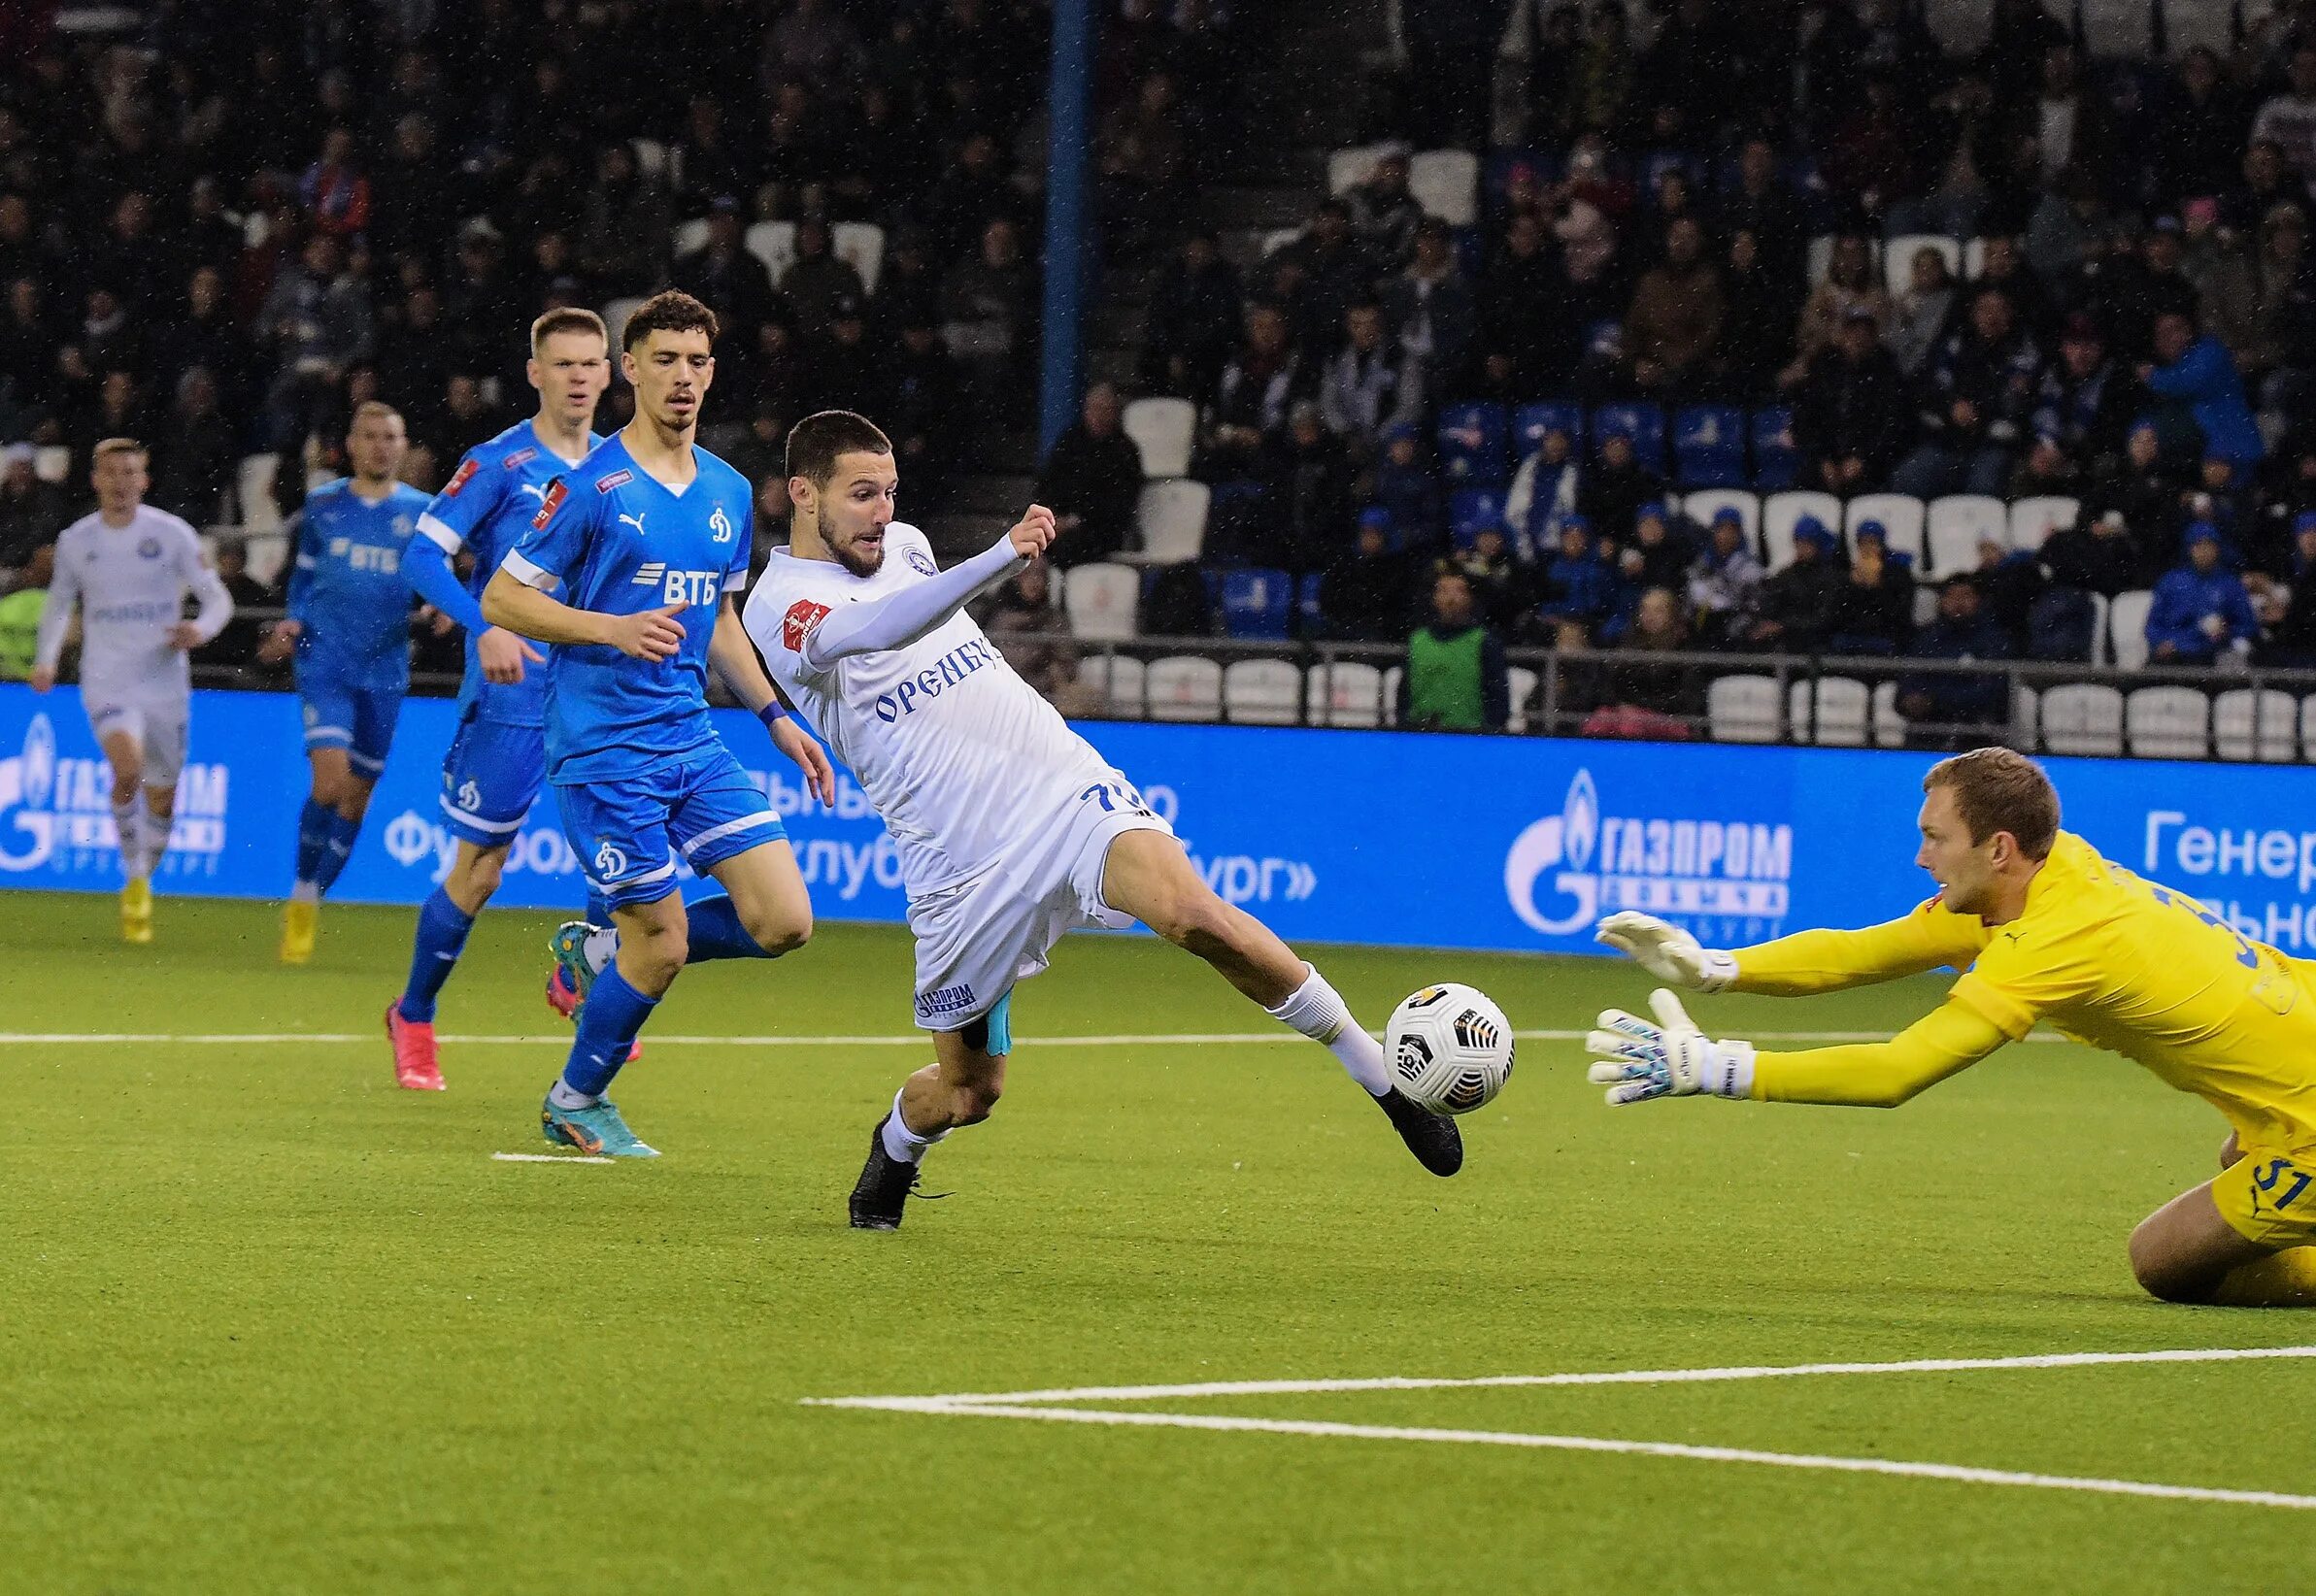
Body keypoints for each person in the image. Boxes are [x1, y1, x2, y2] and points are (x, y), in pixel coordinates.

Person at [742, 410, 1463, 1228]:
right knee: (969, 1094)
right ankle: (897, 1147)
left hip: (1057, 786)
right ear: (802, 495)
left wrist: (972, 558)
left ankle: (1382, 1079)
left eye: (891, 492)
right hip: (956, 865)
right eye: (862, 494)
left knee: (1197, 916)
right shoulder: (778, 605)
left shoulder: (905, 543)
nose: (883, 511)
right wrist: (996, 556)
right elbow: (874, 629)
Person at [1590, 748, 2316, 1306]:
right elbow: (1863, 952)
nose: (1920, 857)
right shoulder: (2047, 869)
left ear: (1996, 848)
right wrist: (1714, 968)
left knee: (2161, 1262)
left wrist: (1719, 1069)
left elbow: (1895, 1071)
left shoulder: (2057, 938)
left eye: (1935, 838)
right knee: (2239, 1154)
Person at [481, 292, 831, 1158]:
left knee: (785, 919)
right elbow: (502, 596)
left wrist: (776, 715)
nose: (683, 377)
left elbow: (718, 619)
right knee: (664, 942)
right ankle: (574, 1101)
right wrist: (610, 628)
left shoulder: (727, 489)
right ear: (628, 369)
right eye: (665, 360)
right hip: (601, 748)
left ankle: (599, 954)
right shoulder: (590, 487)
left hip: (690, 739)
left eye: (698, 362)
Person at [382, 309, 615, 1092]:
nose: (579, 377)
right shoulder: (497, 463)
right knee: (480, 871)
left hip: (594, 688)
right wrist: (485, 624)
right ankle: (413, 1014)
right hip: (513, 690)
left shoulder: (618, 468)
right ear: (535, 373)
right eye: (564, 365)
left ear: (609, 373)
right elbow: (421, 554)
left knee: (621, 860)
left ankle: (581, 982)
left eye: (592, 364)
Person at [30, 439, 233, 943]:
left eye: (131, 472)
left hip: (164, 681)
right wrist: (46, 658)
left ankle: (143, 874)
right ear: (96, 479)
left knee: (163, 796)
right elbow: (59, 604)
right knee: (127, 768)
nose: (121, 481)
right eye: (111, 472)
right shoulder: (78, 540)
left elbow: (218, 600)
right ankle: (134, 878)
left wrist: (199, 631)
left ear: (144, 480)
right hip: (107, 678)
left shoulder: (171, 534)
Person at [256, 404, 431, 962]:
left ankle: (316, 893)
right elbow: (303, 576)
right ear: (351, 444)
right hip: (324, 660)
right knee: (329, 784)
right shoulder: (324, 504)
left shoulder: (422, 514)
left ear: (403, 446)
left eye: (391, 437)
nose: (380, 446)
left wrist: (437, 610)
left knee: (356, 800)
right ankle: (303, 893)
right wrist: (293, 618)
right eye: (370, 436)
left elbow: (435, 583)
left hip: (385, 671)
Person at [1034, 382, 1145, 568]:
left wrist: (1076, 520)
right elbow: (1049, 482)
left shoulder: (1125, 451)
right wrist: (1052, 515)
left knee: (1068, 548)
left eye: (1105, 410)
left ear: (1115, 413)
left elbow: (1119, 503)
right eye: (1094, 408)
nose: (1098, 416)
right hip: (1060, 523)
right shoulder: (1070, 441)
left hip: (1100, 531)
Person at [2146, 520, 2256, 665]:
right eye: (2198, 545)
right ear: (2190, 549)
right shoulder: (2171, 581)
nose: (2204, 551)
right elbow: (2153, 625)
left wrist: (2226, 630)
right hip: (2172, 654)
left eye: (2209, 545)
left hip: (2212, 655)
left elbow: (2248, 626)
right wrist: (2161, 642)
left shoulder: (2230, 584)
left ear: (2217, 549)